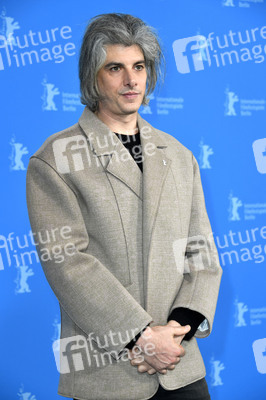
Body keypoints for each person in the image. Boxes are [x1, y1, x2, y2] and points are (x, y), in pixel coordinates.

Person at [26, 13, 222, 400]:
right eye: (115, 68)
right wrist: (140, 338)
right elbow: (67, 264)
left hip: (180, 366)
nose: (131, 80)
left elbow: (201, 252)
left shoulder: (180, 155)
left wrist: (174, 332)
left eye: (139, 66)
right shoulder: (54, 159)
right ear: (92, 76)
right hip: (108, 374)